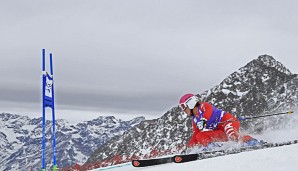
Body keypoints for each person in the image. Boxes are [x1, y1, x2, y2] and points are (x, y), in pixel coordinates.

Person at [179, 93, 259, 148]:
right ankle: (212, 148)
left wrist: (203, 120)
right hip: (220, 132)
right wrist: (189, 146)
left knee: (232, 134)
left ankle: (251, 142)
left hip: (228, 122)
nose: (183, 110)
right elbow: (196, 134)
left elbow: (208, 111)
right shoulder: (195, 120)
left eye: (183, 106)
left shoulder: (203, 106)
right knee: (200, 135)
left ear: (190, 103)